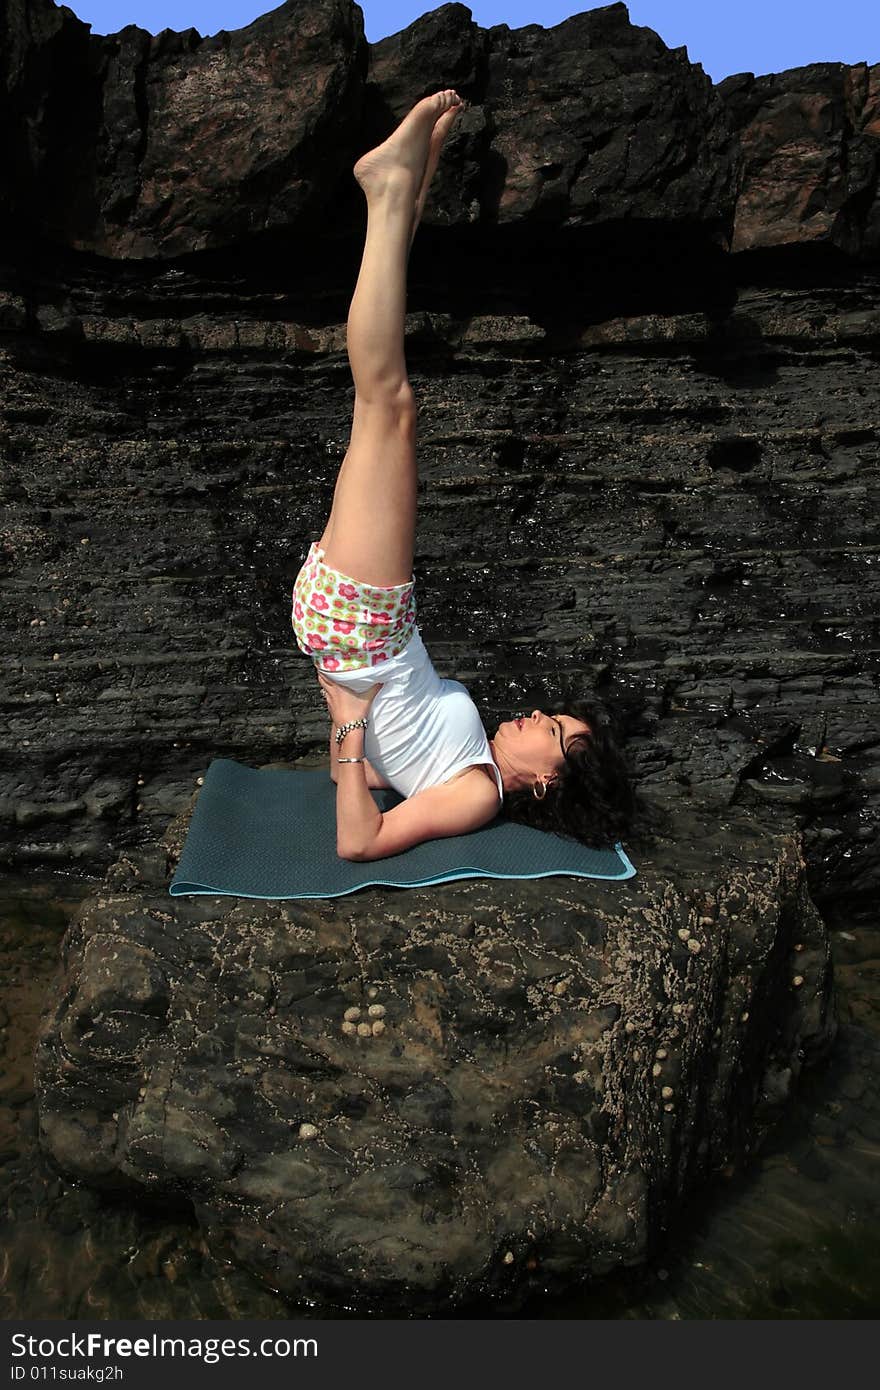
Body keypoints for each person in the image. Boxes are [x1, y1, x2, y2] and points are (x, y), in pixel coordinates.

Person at [292, 90, 634, 861]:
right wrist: (354, 731)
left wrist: (346, 720)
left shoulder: (479, 795)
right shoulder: (466, 759)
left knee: (389, 403)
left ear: (546, 783)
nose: (535, 716)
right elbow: (382, 773)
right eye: (551, 715)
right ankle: (404, 191)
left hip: (366, 630)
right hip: (360, 631)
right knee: (379, 404)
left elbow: (361, 842)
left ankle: (391, 191)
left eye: (550, 733)